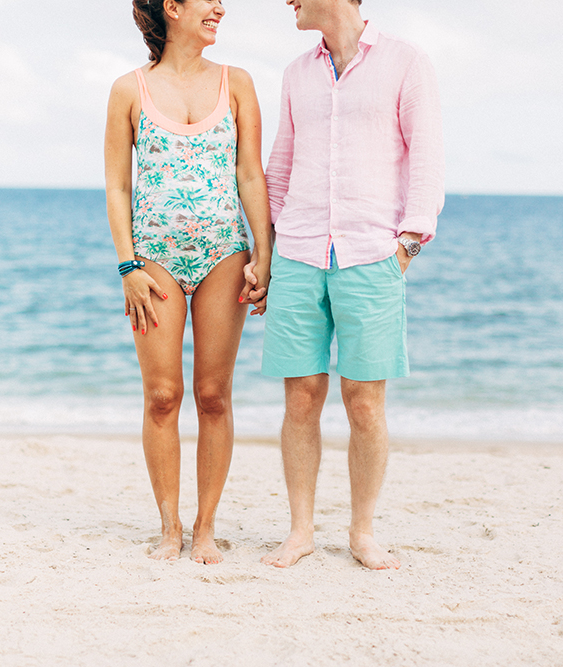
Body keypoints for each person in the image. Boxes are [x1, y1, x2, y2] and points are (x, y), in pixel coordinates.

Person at [249, 0, 444, 570]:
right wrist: (268, 250)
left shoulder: (407, 62)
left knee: (364, 404)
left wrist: (406, 245)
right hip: (299, 251)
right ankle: (301, 530)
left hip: (372, 253)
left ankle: (362, 532)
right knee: (301, 397)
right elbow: (279, 166)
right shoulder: (295, 73)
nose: (288, 1)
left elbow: (427, 156)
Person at [104, 0, 272, 564]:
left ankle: (205, 527)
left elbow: (250, 173)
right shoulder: (129, 90)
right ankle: (169, 526)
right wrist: (128, 265)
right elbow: (118, 189)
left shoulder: (237, 82)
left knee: (213, 396)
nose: (221, 8)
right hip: (153, 259)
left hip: (225, 252)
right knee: (162, 397)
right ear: (171, 8)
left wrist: (263, 253)